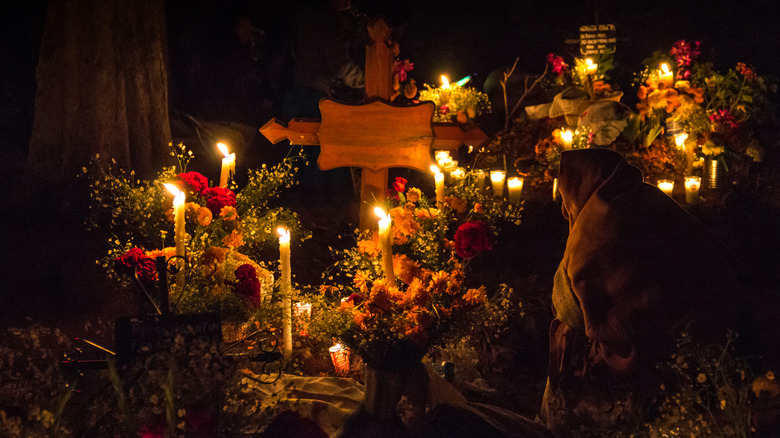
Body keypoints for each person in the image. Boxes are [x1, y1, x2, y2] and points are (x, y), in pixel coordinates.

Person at [422, 148, 755, 437]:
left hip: (640, 361)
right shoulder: (641, 200)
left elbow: (570, 308)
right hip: (698, 341)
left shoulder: (603, 224)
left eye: (565, 193)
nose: (564, 207)